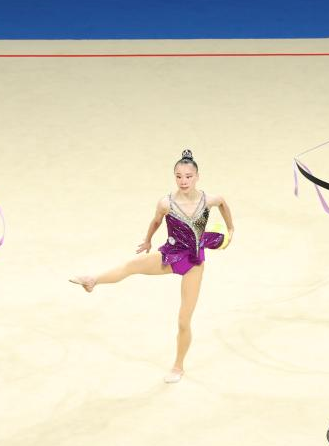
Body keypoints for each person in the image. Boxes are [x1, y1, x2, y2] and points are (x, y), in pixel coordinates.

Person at [69, 150, 234, 383]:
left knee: (183, 321)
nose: (183, 181)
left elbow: (223, 202)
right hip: (171, 254)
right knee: (132, 265)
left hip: (194, 262)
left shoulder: (208, 200)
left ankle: (178, 366)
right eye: (178, 176)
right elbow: (156, 221)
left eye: (188, 176)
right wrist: (148, 240)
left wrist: (231, 228)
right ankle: (93, 280)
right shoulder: (166, 203)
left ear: (197, 177)